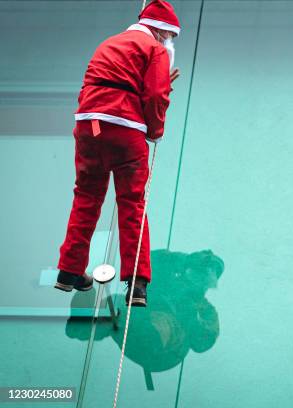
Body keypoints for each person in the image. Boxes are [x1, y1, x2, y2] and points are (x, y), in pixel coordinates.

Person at [54, 0, 181, 307]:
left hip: (88, 126)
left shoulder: (109, 44)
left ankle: (68, 271)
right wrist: (156, 131)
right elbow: (154, 96)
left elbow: (105, 85)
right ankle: (137, 283)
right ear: (161, 31)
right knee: (132, 203)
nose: (169, 43)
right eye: (168, 37)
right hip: (124, 131)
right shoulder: (155, 50)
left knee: (86, 196)